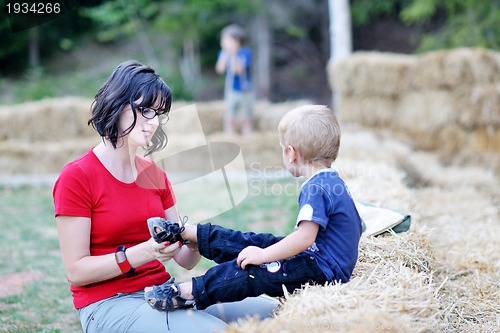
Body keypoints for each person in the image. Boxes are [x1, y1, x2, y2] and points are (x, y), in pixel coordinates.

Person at [52, 60, 277, 333]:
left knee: (276, 314)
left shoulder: (155, 175)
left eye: (158, 113)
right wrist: (146, 251)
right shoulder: (77, 176)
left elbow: (184, 258)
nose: (153, 122)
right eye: (145, 110)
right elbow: (76, 271)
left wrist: (195, 237)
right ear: (116, 103)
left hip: (164, 293)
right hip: (108, 304)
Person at [145, 105, 363, 313]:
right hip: (319, 259)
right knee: (255, 242)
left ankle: (188, 292)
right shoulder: (333, 182)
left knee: (254, 272)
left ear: (291, 153)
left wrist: (264, 256)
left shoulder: (315, 188)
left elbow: (305, 239)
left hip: (323, 269)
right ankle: (190, 234)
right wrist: (265, 250)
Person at [215, 23, 254, 135]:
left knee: (246, 116)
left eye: (226, 39)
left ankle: (247, 135)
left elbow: (237, 70)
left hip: (245, 89)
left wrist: (233, 54)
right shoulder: (223, 53)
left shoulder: (245, 52)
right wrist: (224, 54)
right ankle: (231, 135)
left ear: (236, 41)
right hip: (231, 89)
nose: (223, 42)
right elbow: (220, 69)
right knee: (230, 115)